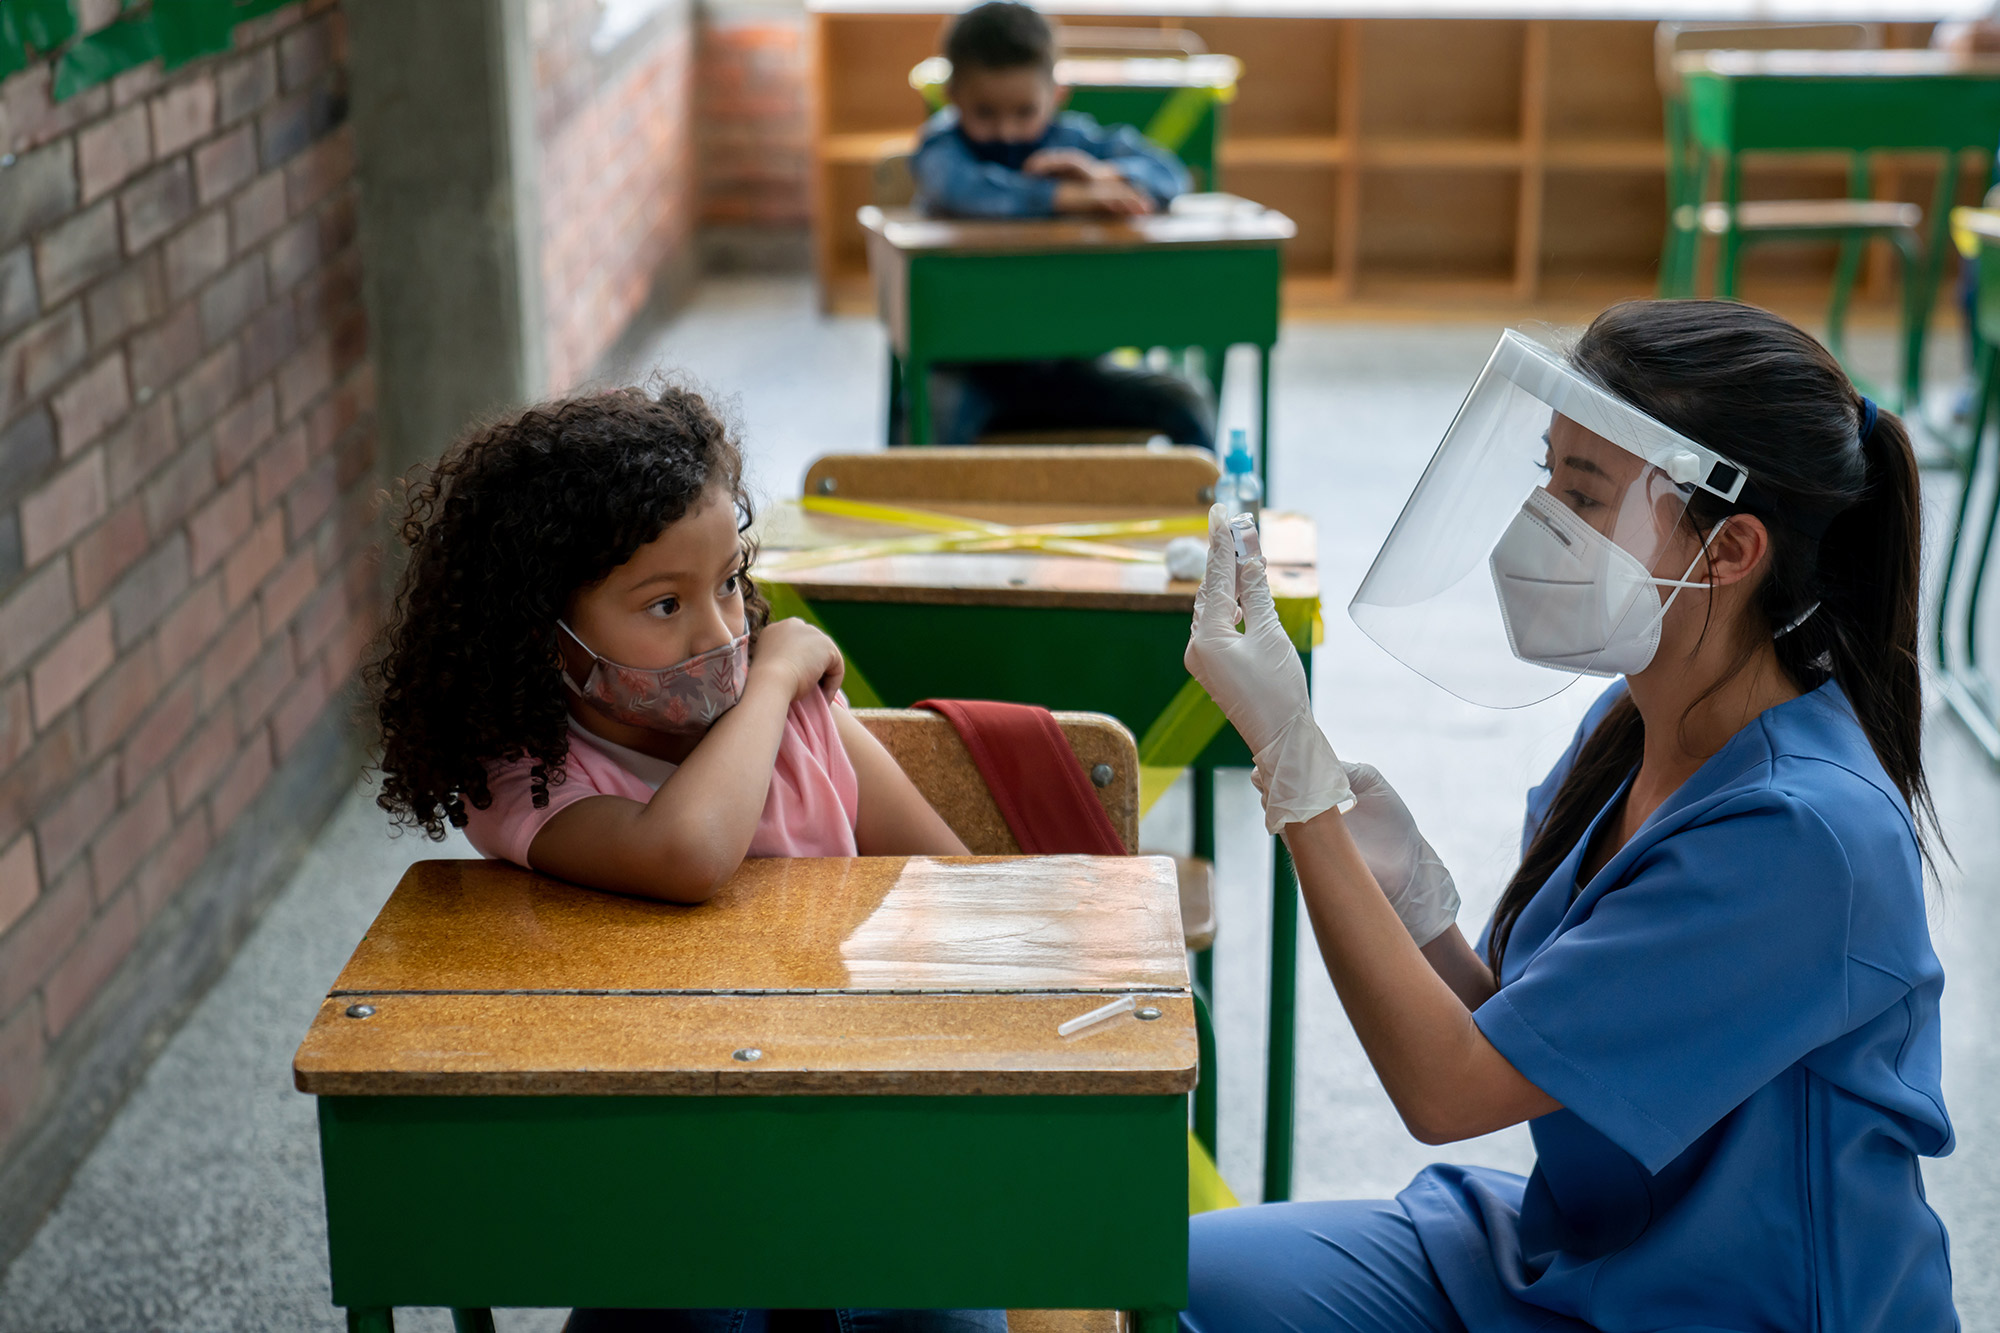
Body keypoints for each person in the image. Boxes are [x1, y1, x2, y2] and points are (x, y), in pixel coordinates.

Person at [1180, 300, 1954, 1331]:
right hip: (1580, 1255)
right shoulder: (1638, 718)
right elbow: (1544, 1035)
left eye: (1581, 493)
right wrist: (1416, 911)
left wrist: (1297, 779)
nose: (1537, 517)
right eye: (1546, 474)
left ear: (1729, 550)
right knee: (1163, 1275)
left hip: (1730, 1308)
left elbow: (1447, 1092)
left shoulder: (1801, 835)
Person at [366, 385, 998, 1333]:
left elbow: (959, 891)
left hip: (852, 1123)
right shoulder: (530, 779)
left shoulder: (805, 728)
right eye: (665, 603)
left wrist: (791, 702)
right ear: (546, 634)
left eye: (732, 583)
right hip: (663, 1155)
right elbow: (688, 851)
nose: (721, 634)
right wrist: (780, 673)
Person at [903, 0, 1213, 449]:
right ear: (951, 96)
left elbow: (1169, 174)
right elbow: (959, 189)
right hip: (972, 369)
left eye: (1025, 112)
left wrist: (1102, 174)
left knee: (1187, 400)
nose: (1007, 132)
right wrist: (1064, 197)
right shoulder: (941, 149)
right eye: (985, 113)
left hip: (1074, 368)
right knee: (930, 418)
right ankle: (922, 522)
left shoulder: (1075, 141)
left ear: (1057, 94)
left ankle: (1212, 520)